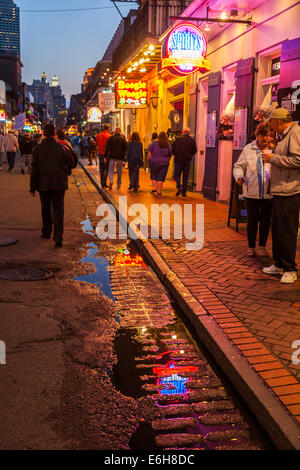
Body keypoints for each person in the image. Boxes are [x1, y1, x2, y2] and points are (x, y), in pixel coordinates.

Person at [261, 108, 300, 284]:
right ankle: (279, 264)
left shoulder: (295, 132)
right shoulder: (285, 135)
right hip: (280, 189)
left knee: (287, 230)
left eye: (272, 125)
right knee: (277, 229)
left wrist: (273, 159)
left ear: (277, 122)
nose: (272, 129)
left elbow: (298, 160)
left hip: (290, 189)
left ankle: (290, 268)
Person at [30, 123, 77, 247]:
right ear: (54, 133)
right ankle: (58, 237)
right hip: (59, 183)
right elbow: (73, 163)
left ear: (44, 133)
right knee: (58, 209)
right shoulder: (62, 148)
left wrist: (32, 187)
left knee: (45, 208)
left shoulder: (37, 149)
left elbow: (34, 170)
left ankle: (46, 232)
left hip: (43, 184)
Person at [233, 122, 274, 257]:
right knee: (252, 220)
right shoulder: (248, 149)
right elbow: (239, 166)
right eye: (264, 137)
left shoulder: (273, 151)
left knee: (265, 221)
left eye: (269, 136)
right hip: (251, 192)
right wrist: (239, 177)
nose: (267, 140)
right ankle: (251, 247)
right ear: (257, 135)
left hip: (269, 193)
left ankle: (262, 246)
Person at [172, 127, 197, 197]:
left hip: (178, 160)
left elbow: (173, 149)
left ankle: (179, 186)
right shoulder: (192, 140)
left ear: (183, 132)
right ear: (188, 132)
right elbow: (194, 151)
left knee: (176, 174)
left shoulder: (177, 140)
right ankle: (184, 193)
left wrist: (176, 154)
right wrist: (189, 155)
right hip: (187, 161)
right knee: (185, 177)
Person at [148, 131, 172, 195]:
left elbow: (149, 152)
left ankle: (154, 188)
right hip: (164, 163)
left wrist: (149, 160)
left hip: (154, 162)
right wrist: (167, 160)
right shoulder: (168, 144)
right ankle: (159, 191)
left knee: (153, 175)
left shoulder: (153, 143)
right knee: (161, 177)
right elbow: (170, 155)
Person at [96, 124, 111, 188]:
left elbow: (96, 144)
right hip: (107, 154)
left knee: (101, 168)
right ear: (108, 128)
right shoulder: (109, 136)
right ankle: (104, 182)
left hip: (100, 153)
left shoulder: (98, 135)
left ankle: (102, 181)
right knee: (106, 168)